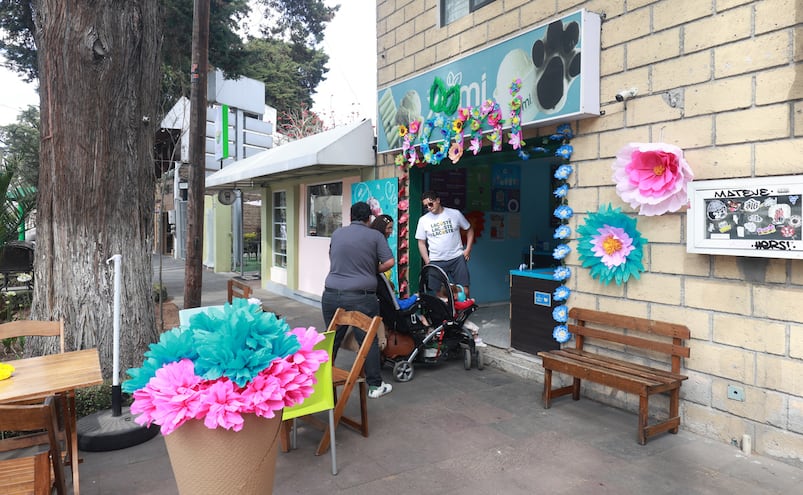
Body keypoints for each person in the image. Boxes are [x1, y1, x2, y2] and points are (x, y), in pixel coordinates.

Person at [322, 202, 395, 399]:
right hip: (361, 296)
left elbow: (332, 256)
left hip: (331, 293)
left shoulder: (338, 233)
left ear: (351, 216)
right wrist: (371, 270)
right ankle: (374, 386)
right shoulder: (375, 236)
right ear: (369, 218)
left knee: (331, 338)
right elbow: (389, 262)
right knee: (367, 340)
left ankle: (322, 379)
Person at [415, 191, 474, 298]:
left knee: (465, 291)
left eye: (430, 204)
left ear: (438, 200)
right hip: (436, 260)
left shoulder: (455, 213)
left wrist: (468, 249)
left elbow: (469, 229)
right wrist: (428, 261)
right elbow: (421, 243)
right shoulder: (423, 220)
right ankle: (447, 315)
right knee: (440, 294)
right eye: (426, 206)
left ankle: (462, 313)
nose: (429, 207)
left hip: (456, 258)